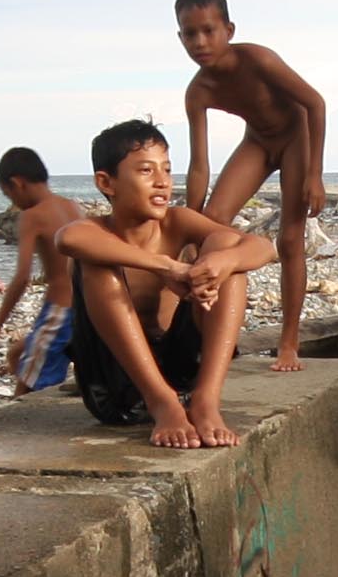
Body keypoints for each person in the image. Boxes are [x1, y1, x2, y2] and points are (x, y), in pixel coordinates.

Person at [61, 116, 273, 449]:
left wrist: (220, 263)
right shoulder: (95, 231)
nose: (162, 182)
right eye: (146, 171)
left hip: (181, 377)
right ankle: (162, 404)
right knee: (97, 264)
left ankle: (205, 401)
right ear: (106, 182)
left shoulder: (177, 222)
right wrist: (167, 267)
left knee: (226, 251)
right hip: (117, 390)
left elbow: (263, 247)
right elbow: (68, 238)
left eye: (167, 170)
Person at [172, 0, 328, 373]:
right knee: (212, 224)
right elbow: (199, 165)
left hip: (296, 138)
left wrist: (315, 174)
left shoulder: (258, 60)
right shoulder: (198, 91)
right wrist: (191, 225)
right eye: (190, 34)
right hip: (257, 142)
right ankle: (212, 335)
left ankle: (288, 342)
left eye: (209, 31)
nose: (200, 42)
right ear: (180, 37)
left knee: (289, 239)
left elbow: (315, 103)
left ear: (229, 30)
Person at [0, 144, 84, 393]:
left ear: (18, 183)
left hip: (60, 311)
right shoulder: (73, 207)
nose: (13, 202)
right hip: (86, 309)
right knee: (17, 354)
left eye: (9, 195)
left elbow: (22, 277)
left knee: (27, 389)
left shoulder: (32, 216)